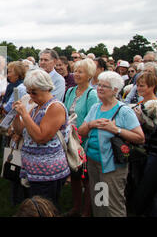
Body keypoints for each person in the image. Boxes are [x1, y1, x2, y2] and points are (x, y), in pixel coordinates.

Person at [77, 71, 144, 217]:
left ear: (115, 90)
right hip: (93, 162)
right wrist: (91, 125)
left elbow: (140, 138)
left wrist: (116, 130)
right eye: (99, 85)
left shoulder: (124, 111)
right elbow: (81, 131)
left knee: (113, 205)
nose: (99, 88)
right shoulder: (96, 108)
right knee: (99, 201)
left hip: (112, 166)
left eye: (104, 86)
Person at [11, 69, 70, 206]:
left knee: (45, 209)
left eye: (34, 92)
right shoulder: (36, 107)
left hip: (48, 173)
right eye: (28, 92)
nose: (30, 96)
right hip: (35, 171)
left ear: (46, 89)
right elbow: (20, 131)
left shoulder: (55, 107)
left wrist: (25, 115)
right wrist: (16, 115)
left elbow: (40, 137)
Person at [63, 58, 99, 217]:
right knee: (74, 174)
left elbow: (91, 118)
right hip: (70, 139)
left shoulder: (92, 95)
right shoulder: (70, 91)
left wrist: (79, 133)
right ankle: (76, 207)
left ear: (89, 75)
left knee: (87, 178)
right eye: (75, 70)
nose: (76, 74)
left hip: (84, 140)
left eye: (80, 71)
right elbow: (64, 112)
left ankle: (87, 211)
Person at [130, 72, 157, 216]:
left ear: (152, 86)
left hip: (153, 151)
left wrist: (143, 121)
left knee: (153, 187)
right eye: (137, 85)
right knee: (141, 186)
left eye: (142, 85)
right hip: (140, 152)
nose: (139, 88)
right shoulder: (139, 103)